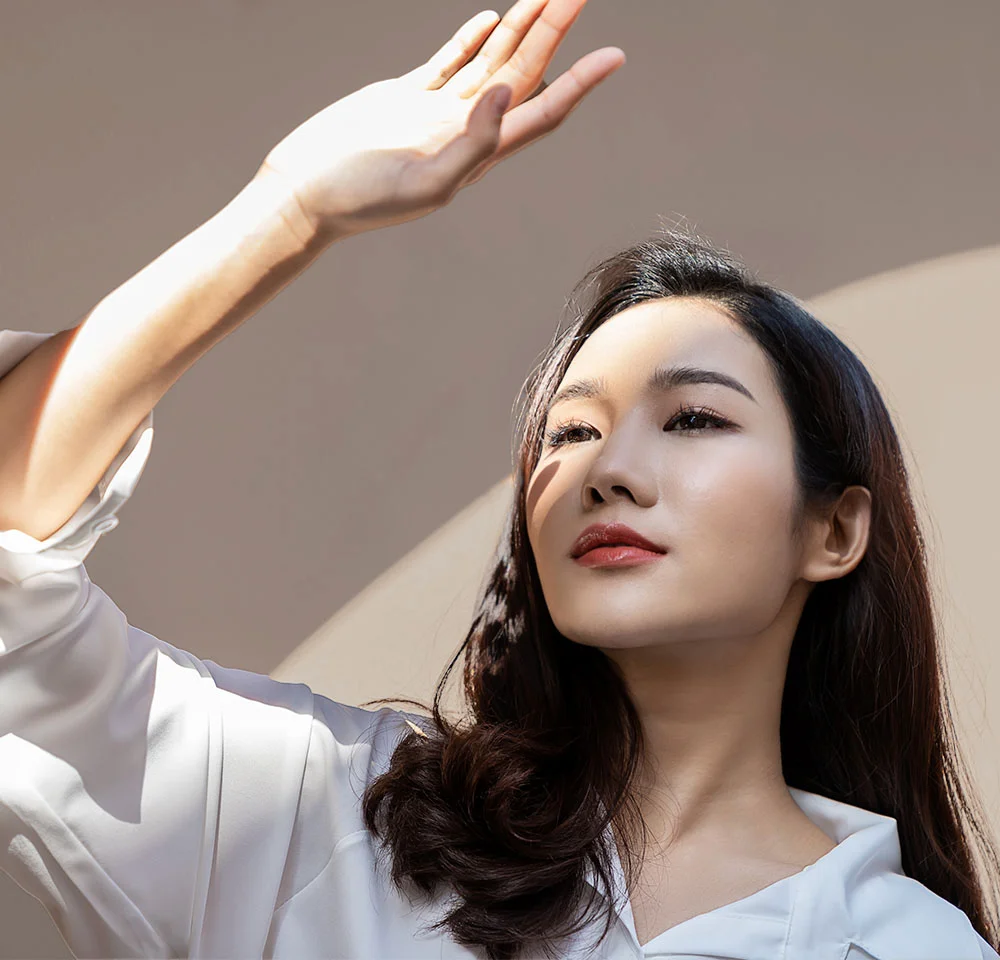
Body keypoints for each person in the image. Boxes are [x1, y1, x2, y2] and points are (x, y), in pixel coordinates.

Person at [0, 0, 997, 957]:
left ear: (833, 530)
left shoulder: (911, 947)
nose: (606, 468)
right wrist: (288, 210)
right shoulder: (326, 817)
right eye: (568, 432)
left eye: (691, 418)